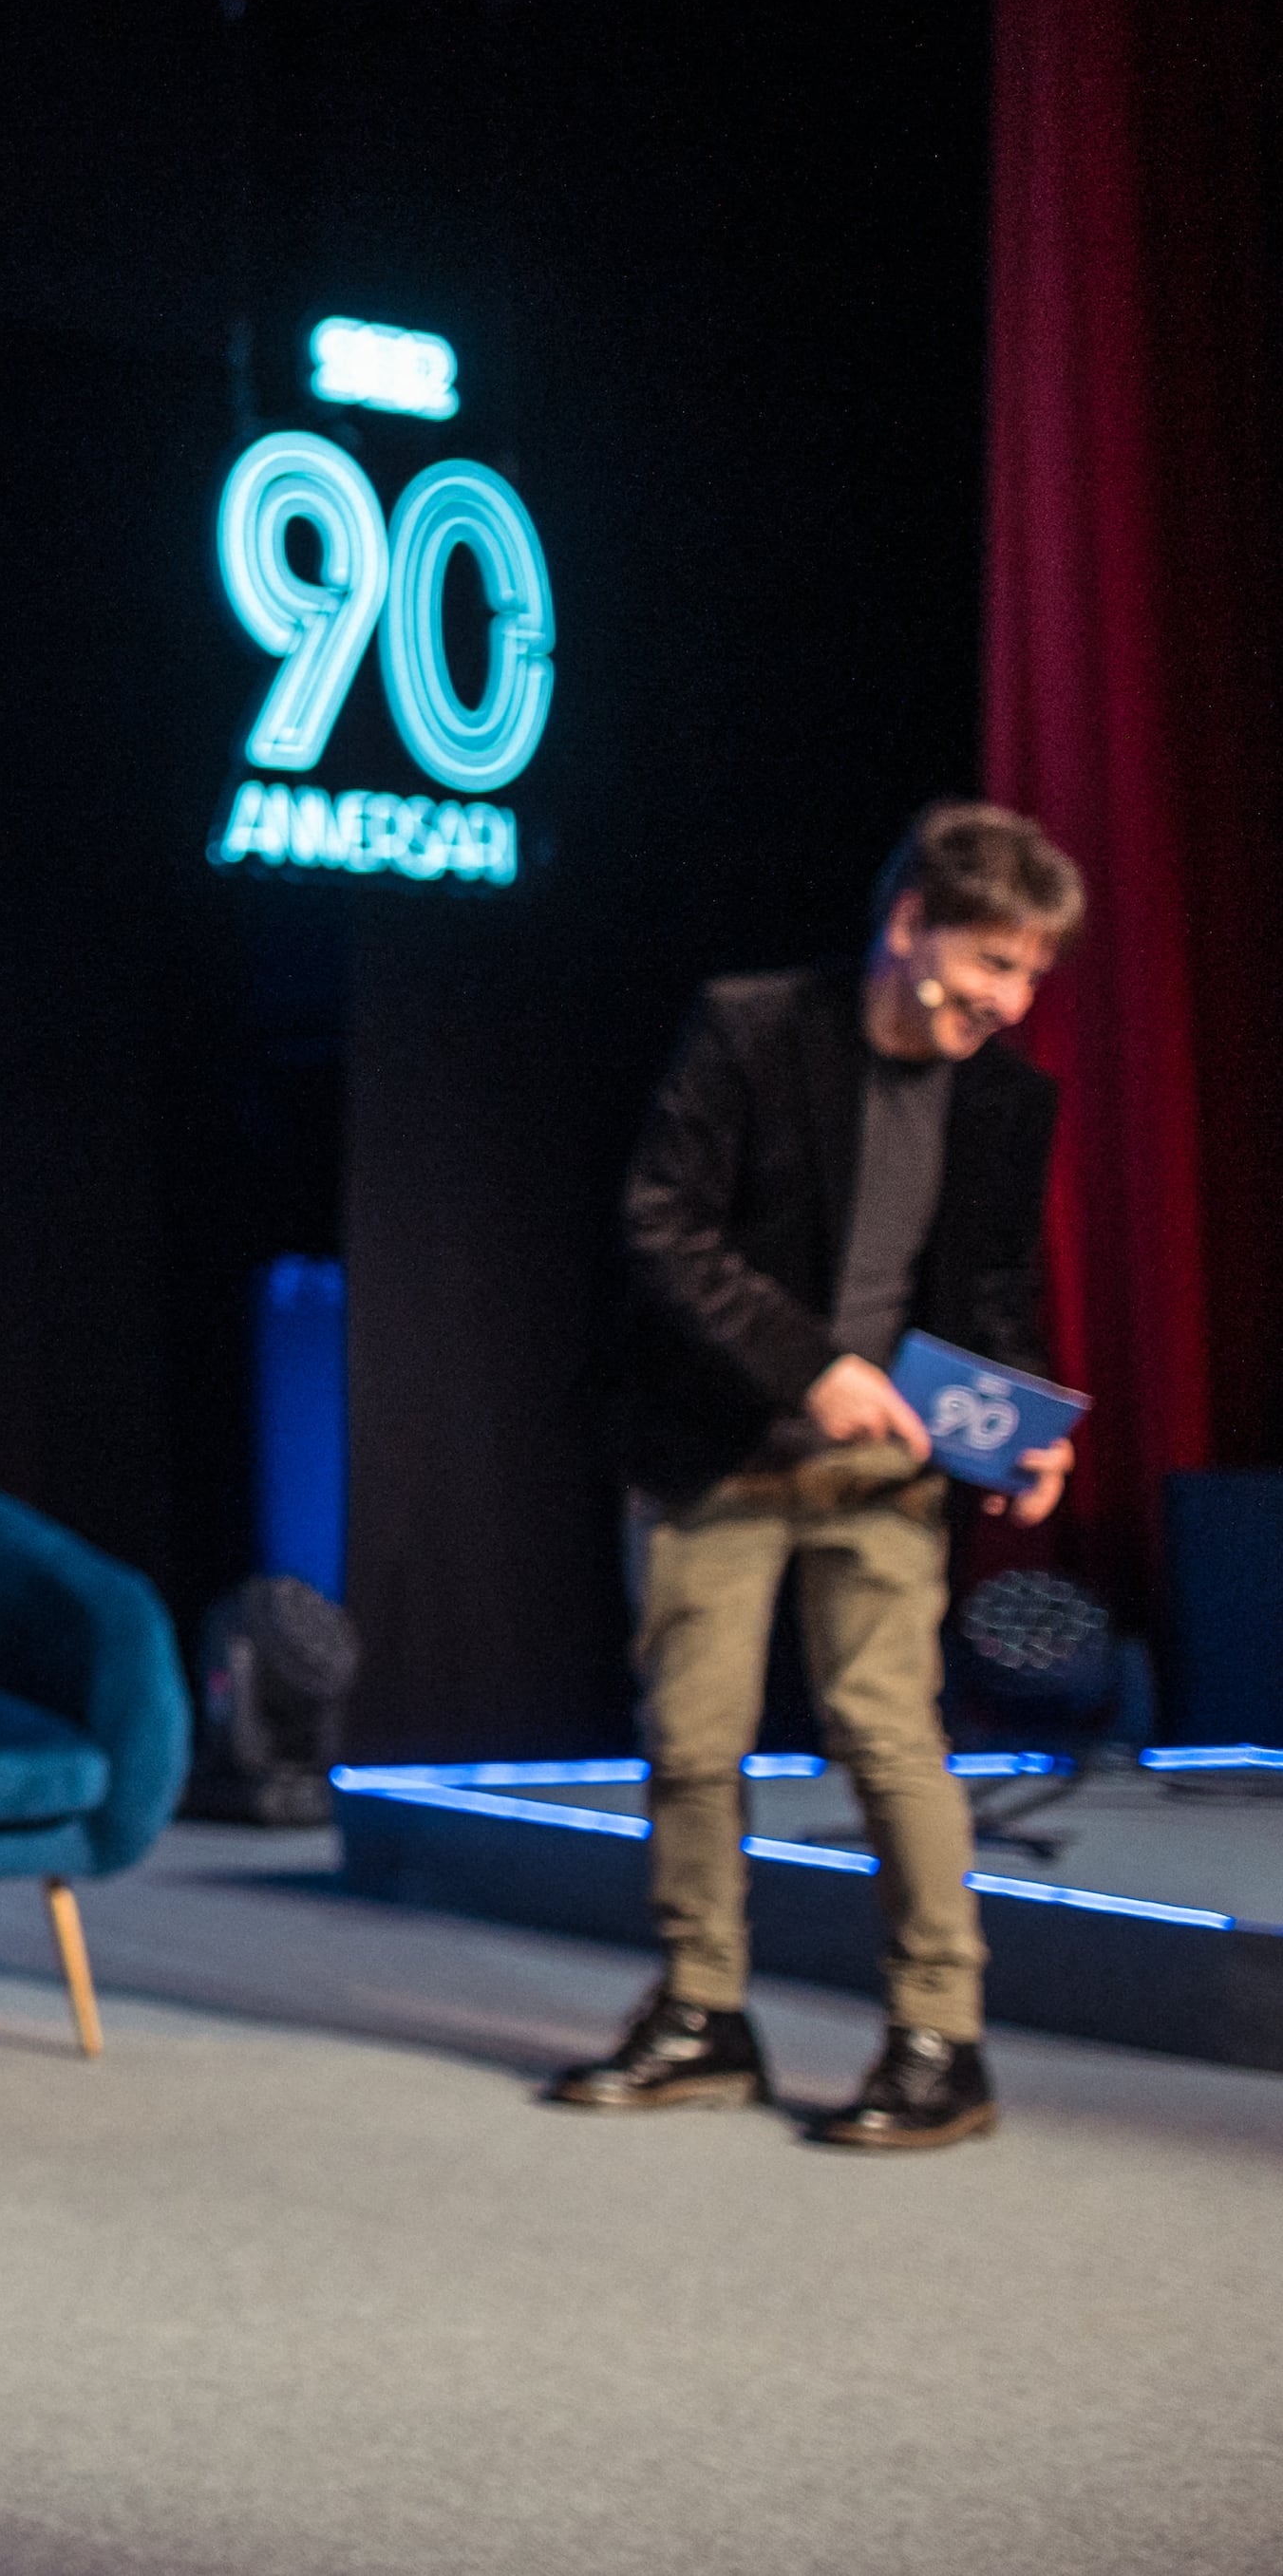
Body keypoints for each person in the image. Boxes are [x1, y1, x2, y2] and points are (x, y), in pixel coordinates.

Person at [564, 799, 1084, 2148]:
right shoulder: (752, 1032)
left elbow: (995, 1287)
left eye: (1030, 973)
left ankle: (937, 2041)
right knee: (693, 1740)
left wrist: (1023, 1427)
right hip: (719, 1447)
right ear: (911, 927)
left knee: (890, 1738)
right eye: (992, 963)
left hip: (887, 1470)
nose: (1012, 1001)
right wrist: (809, 1367)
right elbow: (661, 1228)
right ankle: (702, 2014)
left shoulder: (1006, 1096)